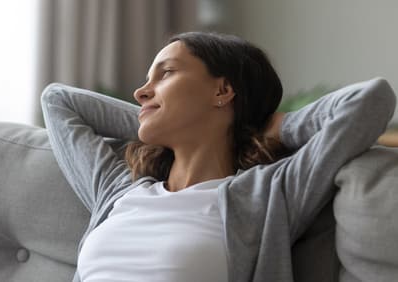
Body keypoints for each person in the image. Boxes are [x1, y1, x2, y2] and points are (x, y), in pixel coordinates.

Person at [40, 31, 396, 282]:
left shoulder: (269, 193)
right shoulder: (119, 190)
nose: (141, 91)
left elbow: (371, 100)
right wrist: (156, 119)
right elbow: (57, 100)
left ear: (223, 90)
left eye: (165, 73)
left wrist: (267, 127)